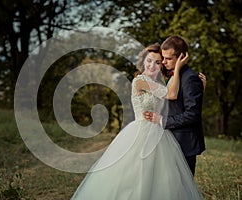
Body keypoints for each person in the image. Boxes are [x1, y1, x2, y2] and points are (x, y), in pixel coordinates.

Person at [71, 44, 203, 200]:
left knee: (161, 178)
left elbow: (175, 105)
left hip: (160, 133)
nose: (152, 65)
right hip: (140, 132)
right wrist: (179, 67)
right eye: (149, 60)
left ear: (161, 66)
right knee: (134, 177)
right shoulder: (140, 81)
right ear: (143, 62)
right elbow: (172, 94)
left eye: (157, 62)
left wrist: (200, 89)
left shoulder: (160, 84)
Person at [143, 36, 206, 176]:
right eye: (163, 58)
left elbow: (192, 115)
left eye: (168, 58)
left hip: (184, 143)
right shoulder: (175, 75)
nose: (164, 62)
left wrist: (161, 120)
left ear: (182, 57)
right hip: (172, 140)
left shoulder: (190, 78)